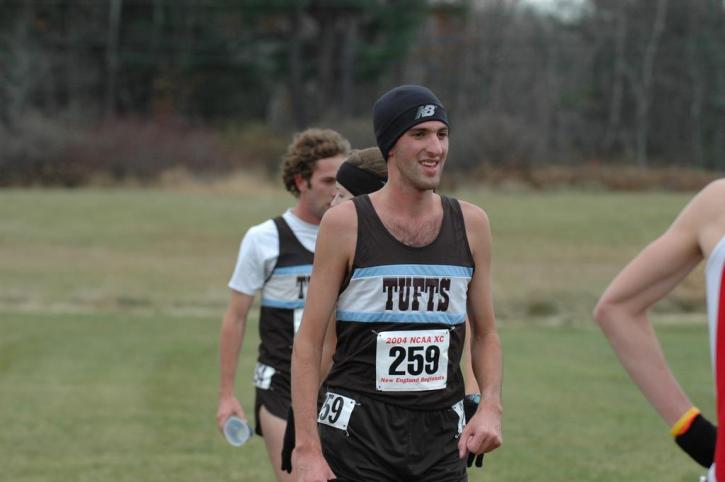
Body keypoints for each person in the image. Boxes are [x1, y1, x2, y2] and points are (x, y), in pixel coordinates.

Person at [290, 85, 503, 482]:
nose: (435, 148)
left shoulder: (472, 224)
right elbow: (310, 342)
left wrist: (489, 403)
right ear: (390, 145)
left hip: (441, 438)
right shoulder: (345, 224)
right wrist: (305, 446)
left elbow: (486, 333)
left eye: (442, 134)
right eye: (419, 134)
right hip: (358, 434)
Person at [217, 128, 349, 482]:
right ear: (300, 181)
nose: (337, 190)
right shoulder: (264, 239)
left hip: (339, 387)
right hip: (280, 387)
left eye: (343, 180)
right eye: (328, 180)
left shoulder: (353, 236)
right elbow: (236, 317)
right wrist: (227, 395)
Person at [594, 179, 725, 481]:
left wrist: (691, 432)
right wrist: (693, 433)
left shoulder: (716, 204)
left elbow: (616, 308)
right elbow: (616, 310)